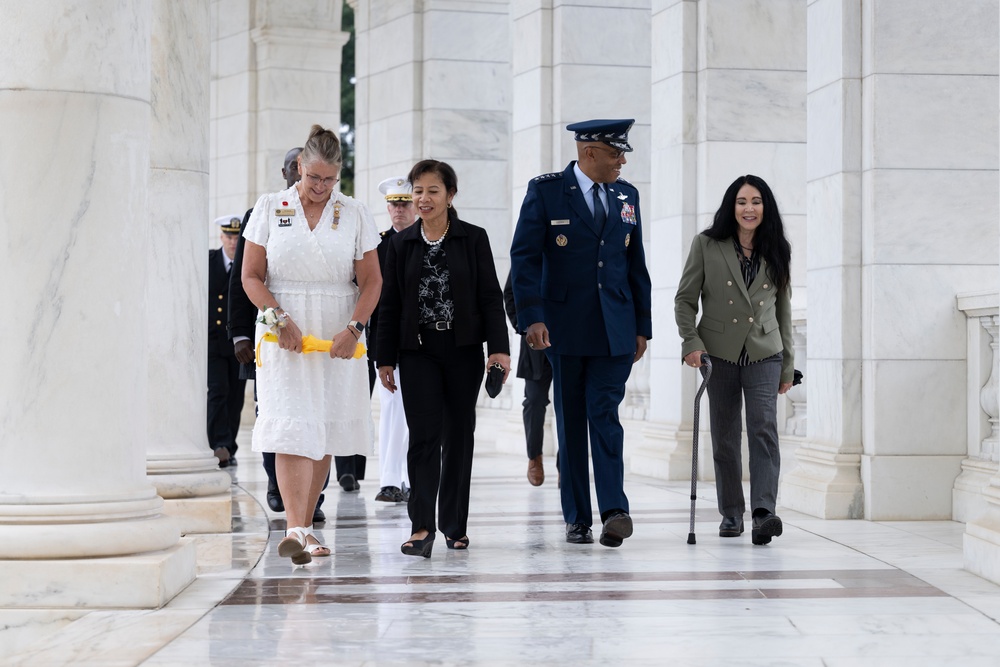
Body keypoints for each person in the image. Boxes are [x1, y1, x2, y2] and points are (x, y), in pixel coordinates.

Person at [242, 125, 382, 564]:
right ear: (298, 167)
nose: (320, 188)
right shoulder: (270, 207)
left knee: (323, 426)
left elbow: (372, 279)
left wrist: (355, 329)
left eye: (329, 179)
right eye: (313, 177)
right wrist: (277, 318)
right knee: (288, 426)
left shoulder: (355, 212)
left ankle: (306, 528)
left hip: (336, 331)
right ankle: (296, 528)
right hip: (285, 330)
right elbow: (250, 276)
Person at [510, 119, 652, 548]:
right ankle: (577, 518)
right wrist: (531, 318)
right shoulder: (547, 191)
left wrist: (642, 326)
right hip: (563, 331)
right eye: (615, 154)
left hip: (615, 330)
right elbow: (525, 259)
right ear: (589, 152)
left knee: (605, 416)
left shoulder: (627, 195)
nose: (622, 161)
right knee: (571, 422)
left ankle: (614, 510)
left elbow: (636, 265)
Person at [376, 159, 511, 558]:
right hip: (416, 353)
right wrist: (384, 358)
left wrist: (498, 350)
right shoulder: (402, 244)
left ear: (450, 196)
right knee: (422, 439)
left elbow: (490, 296)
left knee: (458, 436)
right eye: (418, 190)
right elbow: (390, 303)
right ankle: (421, 526)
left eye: (433, 191)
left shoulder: (473, 238)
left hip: (464, 351)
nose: (423, 198)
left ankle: (454, 524)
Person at [674, 174, 794, 546]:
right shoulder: (707, 244)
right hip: (718, 354)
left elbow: (783, 309)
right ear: (732, 206)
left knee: (763, 429)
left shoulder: (778, 247)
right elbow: (684, 300)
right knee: (725, 436)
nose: (749, 208)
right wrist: (690, 342)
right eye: (742, 201)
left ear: (765, 207)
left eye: (756, 201)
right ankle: (730, 513)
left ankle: (763, 513)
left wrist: (787, 363)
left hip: (764, 352)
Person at [229, 148, 329, 524]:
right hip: (273, 337)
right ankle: (278, 485)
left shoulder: (337, 213)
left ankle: (310, 502)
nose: (304, 178)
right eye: (295, 169)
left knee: (321, 417)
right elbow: (243, 279)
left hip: (320, 335)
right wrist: (239, 333)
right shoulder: (263, 212)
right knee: (278, 417)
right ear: (289, 171)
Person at [370, 176, 416, 504]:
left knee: (415, 411)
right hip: (388, 339)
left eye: (404, 203)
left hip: (420, 339)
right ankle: (390, 479)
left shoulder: (425, 239)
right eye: (394, 204)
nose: (398, 209)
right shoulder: (377, 246)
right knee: (391, 409)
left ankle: (408, 477)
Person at [502, 271, 553, 486]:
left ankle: (565, 466)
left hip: (570, 339)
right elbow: (510, 293)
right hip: (536, 342)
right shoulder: (531, 249)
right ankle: (534, 458)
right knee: (533, 401)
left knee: (570, 404)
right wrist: (523, 327)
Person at [208, 215, 248, 469]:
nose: (233, 242)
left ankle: (230, 445)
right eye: (229, 237)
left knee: (236, 397)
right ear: (221, 237)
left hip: (237, 343)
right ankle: (218, 444)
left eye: (237, 237)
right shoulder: (209, 261)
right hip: (213, 342)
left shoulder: (248, 262)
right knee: (217, 391)